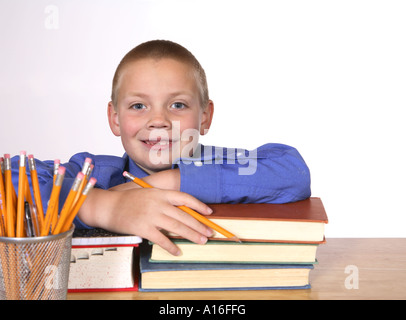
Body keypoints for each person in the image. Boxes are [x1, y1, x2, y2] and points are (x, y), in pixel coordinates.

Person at [12, 40, 311, 255]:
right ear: (115, 119)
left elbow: (293, 170)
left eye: (177, 105)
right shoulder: (95, 175)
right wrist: (102, 206)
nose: (158, 120)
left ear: (205, 116)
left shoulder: (222, 161)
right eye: (138, 106)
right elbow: (11, 179)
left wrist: (172, 180)